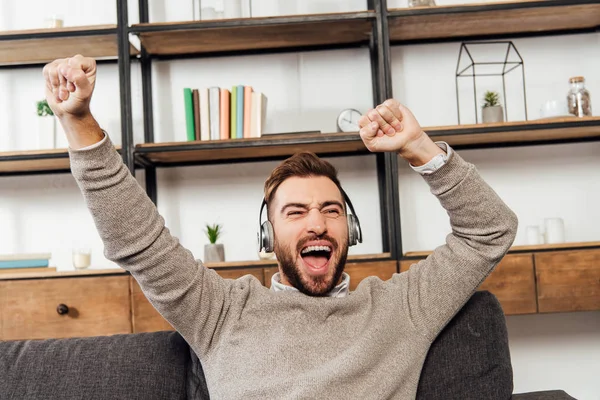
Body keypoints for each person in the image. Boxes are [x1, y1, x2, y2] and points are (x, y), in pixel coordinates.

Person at [43, 55, 518, 399]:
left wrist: (418, 146)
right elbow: (138, 241)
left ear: (350, 229)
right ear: (268, 236)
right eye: (295, 212)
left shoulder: (400, 309)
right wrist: (79, 121)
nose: (317, 223)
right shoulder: (221, 312)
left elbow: (490, 230)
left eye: (331, 211)